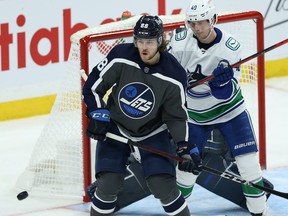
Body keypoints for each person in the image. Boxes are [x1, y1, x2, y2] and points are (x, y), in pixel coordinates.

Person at [82, 15, 202, 216]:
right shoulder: (120, 56)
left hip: (153, 133)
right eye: (140, 41)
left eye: (149, 42)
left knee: (164, 187)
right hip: (116, 127)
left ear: (160, 41)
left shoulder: (175, 74)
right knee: (107, 185)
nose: (144, 47)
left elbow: (176, 117)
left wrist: (183, 146)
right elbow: (93, 87)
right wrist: (97, 114)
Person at [168, 0, 271, 215]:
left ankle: (260, 211)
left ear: (213, 20)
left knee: (248, 165)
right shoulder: (179, 41)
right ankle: (177, 212)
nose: (197, 28)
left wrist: (221, 84)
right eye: (193, 23)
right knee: (186, 169)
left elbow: (227, 93)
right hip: (194, 116)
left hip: (230, 113)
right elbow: (167, 74)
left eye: (202, 23)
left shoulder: (230, 48)